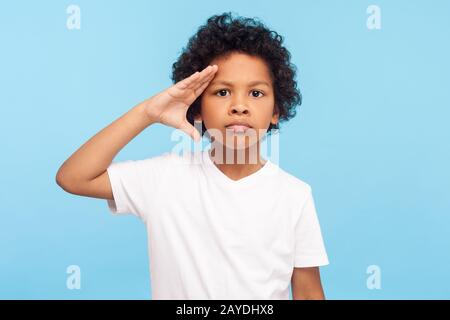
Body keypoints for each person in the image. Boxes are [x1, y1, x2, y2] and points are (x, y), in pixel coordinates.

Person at [56, 12, 329, 300]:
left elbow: (309, 292)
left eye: (256, 93)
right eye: (222, 92)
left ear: (276, 110)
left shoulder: (294, 195)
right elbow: (72, 177)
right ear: (197, 108)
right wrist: (147, 113)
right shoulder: (164, 178)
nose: (239, 106)